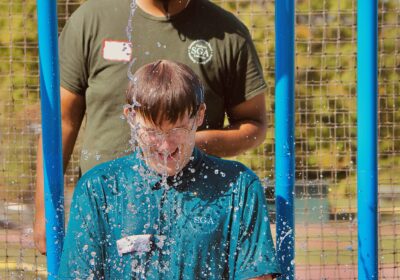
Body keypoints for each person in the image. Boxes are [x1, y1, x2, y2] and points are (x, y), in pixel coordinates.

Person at [35, 0, 268, 254]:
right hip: (108, 212)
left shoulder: (227, 32)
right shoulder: (91, 19)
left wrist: (186, 141)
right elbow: (61, 122)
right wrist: (45, 212)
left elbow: (253, 125)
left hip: (194, 217)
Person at [58, 60, 280, 279]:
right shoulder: (99, 188)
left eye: (178, 129)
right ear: (131, 117)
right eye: (152, 131)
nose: (165, 146)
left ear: (199, 115)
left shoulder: (238, 186)